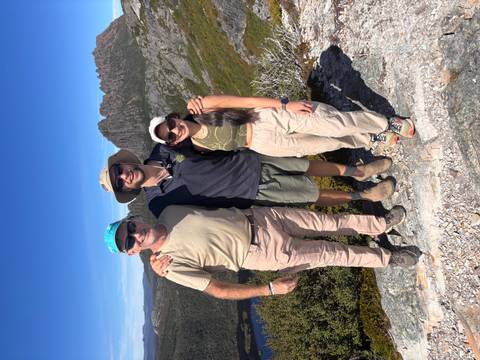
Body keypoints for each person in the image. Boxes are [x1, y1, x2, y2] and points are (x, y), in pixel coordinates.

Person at [103, 205, 420, 300]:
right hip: (261, 252)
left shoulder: (170, 210)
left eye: (129, 229)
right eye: (128, 242)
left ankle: (379, 224)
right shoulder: (169, 267)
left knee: (332, 222)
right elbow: (217, 289)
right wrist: (268, 288)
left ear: (134, 220)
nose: (134, 236)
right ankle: (390, 258)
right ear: (133, 252)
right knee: (333, 253)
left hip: (263, 216)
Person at [99, 145, 395, 216]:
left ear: (125, 162)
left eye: (120, 171)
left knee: (307, 166)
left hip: (249, 159)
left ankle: (358, 172)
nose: (125, 176)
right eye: (121, 183)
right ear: (128, 190)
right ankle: (365, 196)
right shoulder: (159, 204)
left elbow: (201, 135)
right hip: (249, 191)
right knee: (311, 194)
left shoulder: (163, 147)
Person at [148, 95, 415, 158]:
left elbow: (244, 101)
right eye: (169, 136)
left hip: (264, 117)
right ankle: (368, 138)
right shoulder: (197, 147)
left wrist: (284, 104)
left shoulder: (203, 106)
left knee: (331, 123)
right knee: (329, 142)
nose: (174, 129)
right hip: (262, 145)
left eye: (170, 123)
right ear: (172, 143)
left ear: (174, 117)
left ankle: (386, 123)